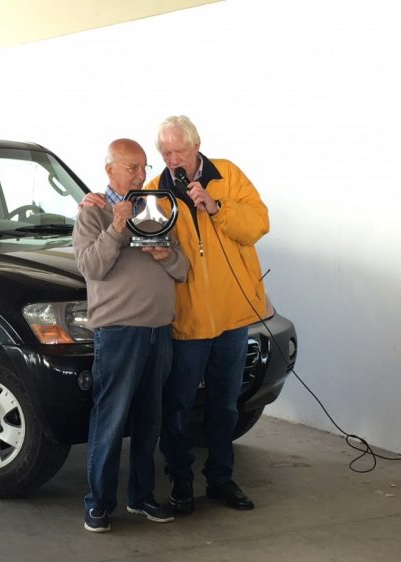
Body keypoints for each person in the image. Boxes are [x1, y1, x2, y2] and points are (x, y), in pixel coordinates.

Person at [81, 116, 269, 513]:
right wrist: (93, 200)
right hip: (186, 318)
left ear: (196, 147)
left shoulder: (228, 175)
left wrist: (216, 206)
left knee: (226, 404)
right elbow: (114, 225)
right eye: (164, 154)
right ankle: (180, 480)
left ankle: (221, 479)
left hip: (232, 315)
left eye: (177, 152)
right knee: (178, 408)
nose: (170, 160)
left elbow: (257, 225)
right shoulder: (152, 194)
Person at [73, 138, 189, 533]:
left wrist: (166, 256)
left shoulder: (155, 209)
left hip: (159, 329)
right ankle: (99, 504)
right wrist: (118, 225)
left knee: (148, 419)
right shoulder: (93, 213)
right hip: (120, 331)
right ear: (110, 171)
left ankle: (141, 497)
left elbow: (182, 268)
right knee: (110, 417)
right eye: (131, 168)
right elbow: (91, 268)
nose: (141, 175)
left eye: (143, 167)